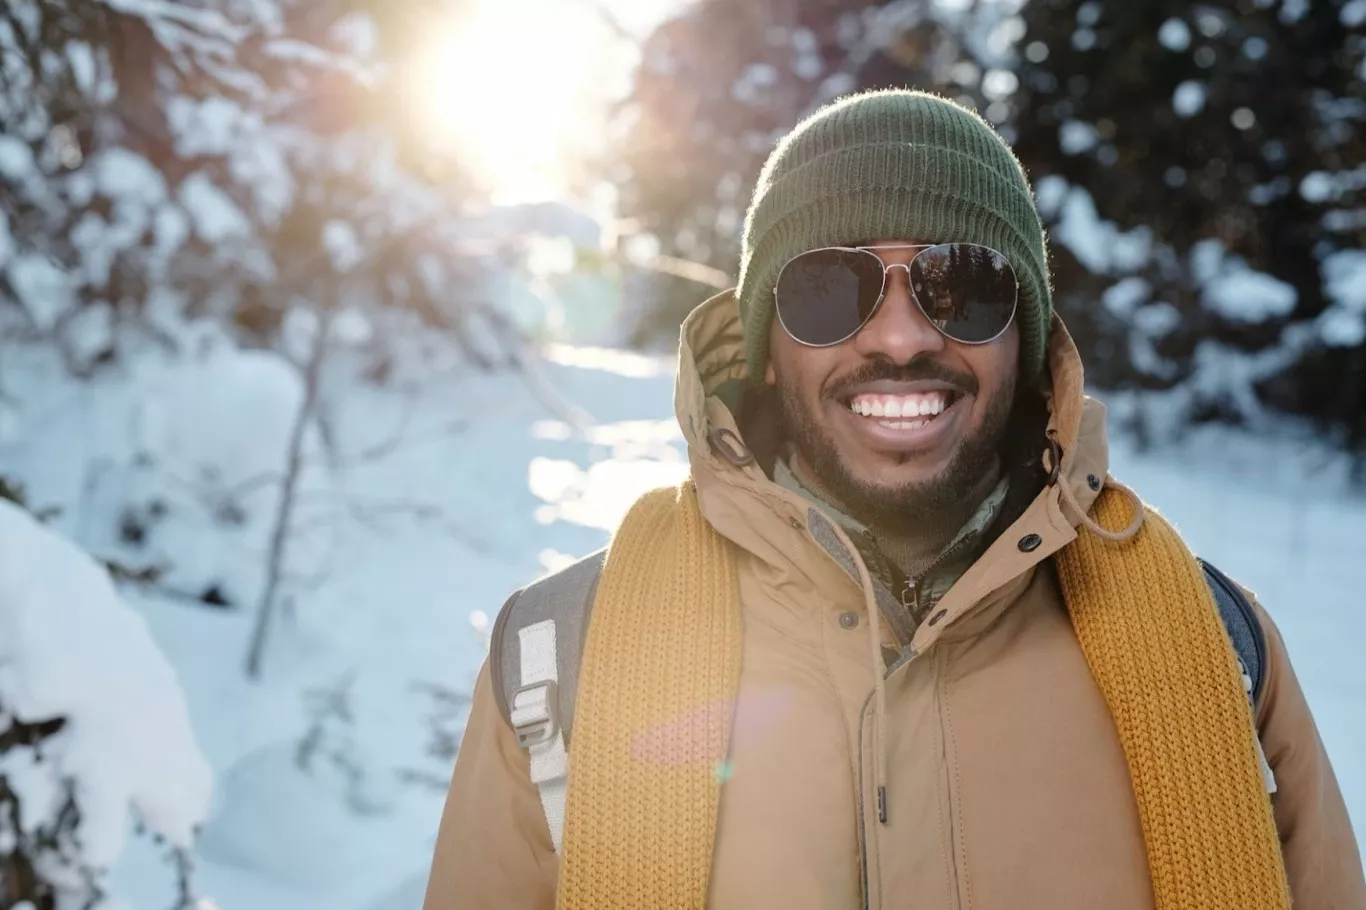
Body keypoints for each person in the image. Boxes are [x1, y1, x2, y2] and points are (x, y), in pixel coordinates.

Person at [422, 89, 1365, 910]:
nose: (903, 336)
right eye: (829, 289)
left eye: (965, 284)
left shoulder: (1217, 648)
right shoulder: (559, 659)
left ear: (1027, 337)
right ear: (764, 344)